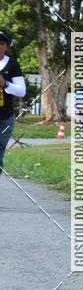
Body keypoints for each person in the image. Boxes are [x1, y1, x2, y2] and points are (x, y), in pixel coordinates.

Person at [0, 28, 26, 181]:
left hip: (4, 119)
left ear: (7, 46)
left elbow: (22, 91)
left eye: (2, 43)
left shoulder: (12, 64)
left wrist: (5, 83)